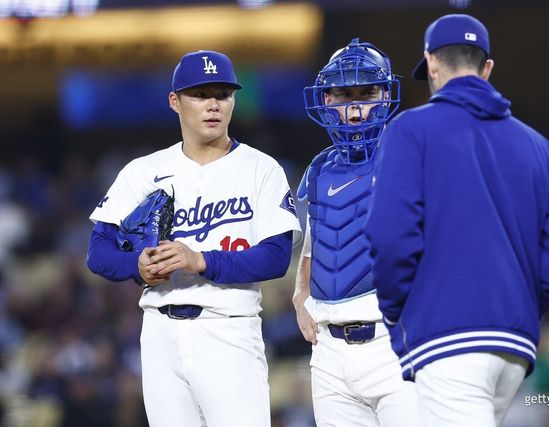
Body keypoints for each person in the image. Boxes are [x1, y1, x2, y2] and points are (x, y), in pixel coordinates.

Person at [364, 14, 549, 426]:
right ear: (487, 68)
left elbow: (390, 237)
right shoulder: (542, 148)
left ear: (431, 62)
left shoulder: (410, 129)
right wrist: (514, 306)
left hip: (449, 339)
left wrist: (397, 312)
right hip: (514, 348)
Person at [86, 50, 302, 427]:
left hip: (228, 327)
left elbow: (275, 258)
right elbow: (97, 252)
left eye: (223, 94)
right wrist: (135, 264)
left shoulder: (261, 169)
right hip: (160, 330)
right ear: (175, 101)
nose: (213, 105)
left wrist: (201, 260)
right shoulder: (145, 171)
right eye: (200, 95)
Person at [294, 38, 422, 426]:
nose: (354, 109)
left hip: (397, 343)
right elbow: (315, 243)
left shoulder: (415, 157)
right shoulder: (319, 169)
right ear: (325, 99)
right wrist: (300, 293)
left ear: (385, 96)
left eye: (365, 94)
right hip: (329, 355)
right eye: (343, 95)